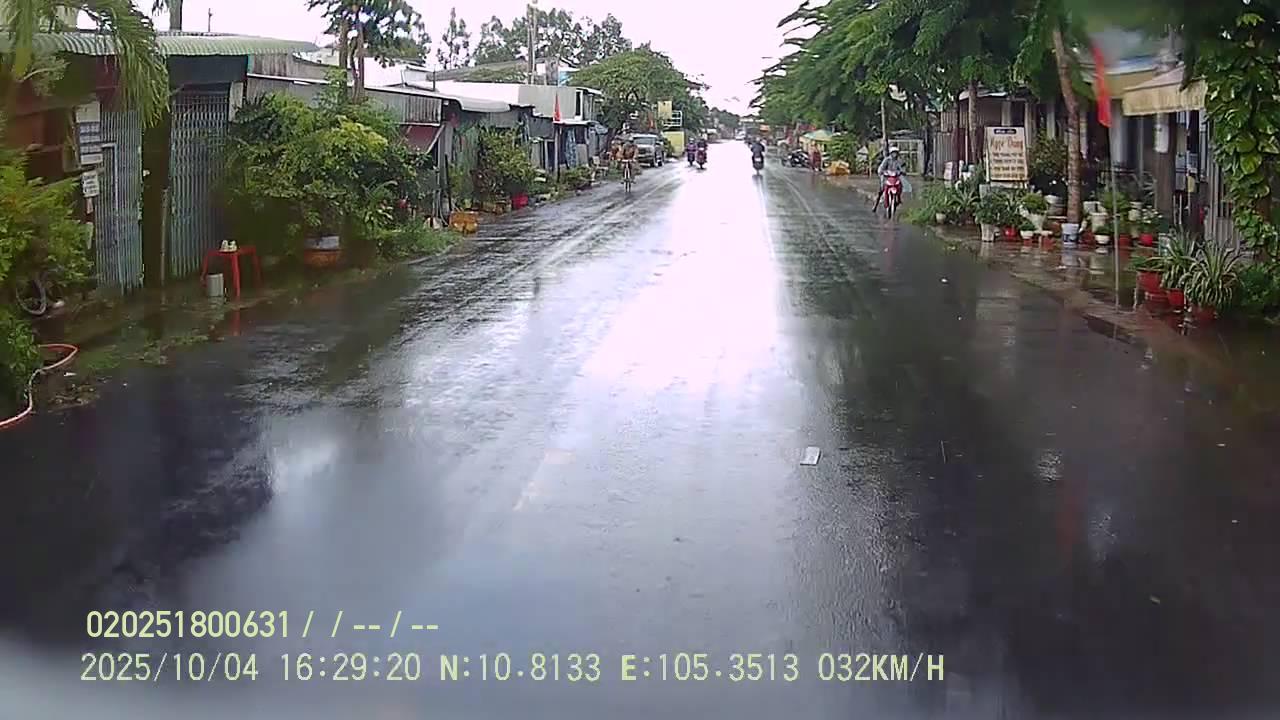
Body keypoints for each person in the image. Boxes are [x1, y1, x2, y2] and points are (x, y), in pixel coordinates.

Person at [874, 146, 907, 211]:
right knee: (881, 189)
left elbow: (902, 168)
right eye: (893, 153)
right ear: (891, 153)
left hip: (895, 177)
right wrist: (881, 172)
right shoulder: (887, 160)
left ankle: (899, 198)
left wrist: (902, 172)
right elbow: (881, 168)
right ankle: (876, 204)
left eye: (896, 153)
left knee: (900, 185)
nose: (895, 154)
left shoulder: (898, 161)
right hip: (886, 177)